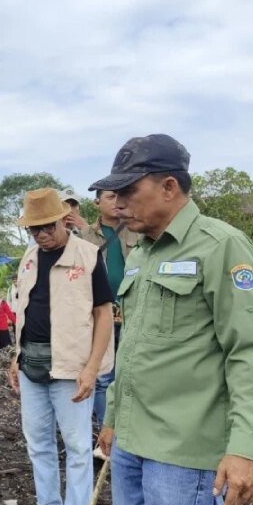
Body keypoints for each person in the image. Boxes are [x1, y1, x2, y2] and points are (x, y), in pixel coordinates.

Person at [91, 135, 253, 505]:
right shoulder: (141, 253)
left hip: (184, 449)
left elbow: (249, 355)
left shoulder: (221, 247)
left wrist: (243, 449)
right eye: (114, 193)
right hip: (132, 439)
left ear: (169, 186)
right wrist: (112, 420)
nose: (118, 203)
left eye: (129, 191)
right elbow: (135, 349)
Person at [7, 188, 114, 505]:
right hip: (31, 365)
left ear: (63, 220)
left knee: (78, 446)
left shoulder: (88, 256)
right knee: (38, 442)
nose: (40, 235)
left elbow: (103, 314)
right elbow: (23, 309)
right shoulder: (29, 257)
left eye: (46, 227)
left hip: (71, 368)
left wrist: (92, 368)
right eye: (32, 229)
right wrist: (15, 357)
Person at [80, 187, 140, 450]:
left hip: (131, 314)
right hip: (100, 316)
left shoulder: (137, 230)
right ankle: (105, 436)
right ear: (96, 203)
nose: (117, 202)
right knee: (104, 376)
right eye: (110, 197)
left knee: (128, 372)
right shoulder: (84, 235)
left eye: (119, 197)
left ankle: (128, 431)